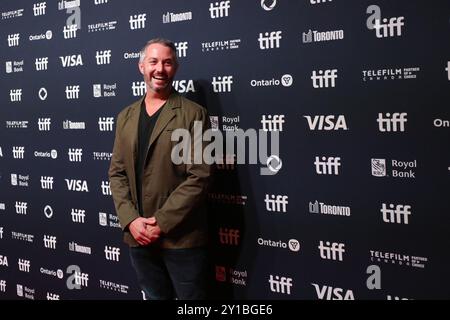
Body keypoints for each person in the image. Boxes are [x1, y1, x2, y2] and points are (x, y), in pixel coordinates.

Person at [108, 38, 212, 300]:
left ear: (175, 68)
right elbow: (117, 173)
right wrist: (131, 220)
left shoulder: (194, 114)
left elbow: (200, 175)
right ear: (141, 66)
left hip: (182, 239)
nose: (160, 69)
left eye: (167, 62)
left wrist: (161, 223)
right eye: (153, 61)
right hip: (139, 238)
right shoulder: (125, 117)